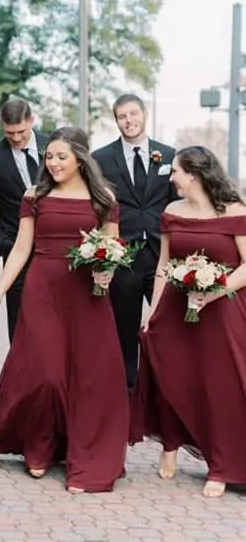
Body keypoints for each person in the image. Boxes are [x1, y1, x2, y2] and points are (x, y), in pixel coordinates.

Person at [0, 127, 128, 493]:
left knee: (85, 376)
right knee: (45, 372)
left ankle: (81, 452)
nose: (53, 163)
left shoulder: (104, 199)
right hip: (43, 289)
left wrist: (105, 271)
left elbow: (112, 248)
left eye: (61, 157)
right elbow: (21, 248)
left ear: (80, 158)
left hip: (87, 295)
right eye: (49, 156)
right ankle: (39, 444)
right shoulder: (35, 196)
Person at [129, 146, 246, 499]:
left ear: (193, 174)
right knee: (172, 377)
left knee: (220, 387)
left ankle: (222, 465)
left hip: (222, 311)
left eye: (175, 171)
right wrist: (153, 313)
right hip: (177, 309)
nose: (172, 177)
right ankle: (170, 445)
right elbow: (165, 264)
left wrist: (214, 291)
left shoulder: (235, 211)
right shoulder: (171, 211)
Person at [92, 94, 176, 389]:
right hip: (123, 257)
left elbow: (177, 205)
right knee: (124, 331)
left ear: (145, 114)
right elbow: (97, 206)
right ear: (116, 121)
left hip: (161, 256)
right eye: (122, 116)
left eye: (133, 114)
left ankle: (161, 396)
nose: (129, 121)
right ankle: (127, 397)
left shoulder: (169, 155)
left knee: (166, 329)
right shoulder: (100, 159)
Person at [0, 98, 48, 342]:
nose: (16, 138)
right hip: (16, 252)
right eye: (9, 133)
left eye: (21, 132)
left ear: (32, 120)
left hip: (56, 248)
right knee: (20, 324)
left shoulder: (55, 147)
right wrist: (3, 245)